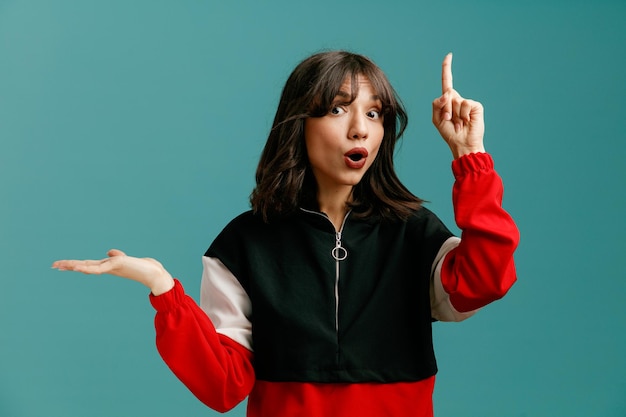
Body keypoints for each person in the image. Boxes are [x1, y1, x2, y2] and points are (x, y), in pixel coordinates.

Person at [53, 51, 519, 417]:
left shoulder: (415, 234)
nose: (360, 129)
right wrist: (163, 288)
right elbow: (223, 386)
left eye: (375, 114)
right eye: (338, 109)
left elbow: (483, 282)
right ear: (300, 122)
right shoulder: (243, 245)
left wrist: (470, 157)